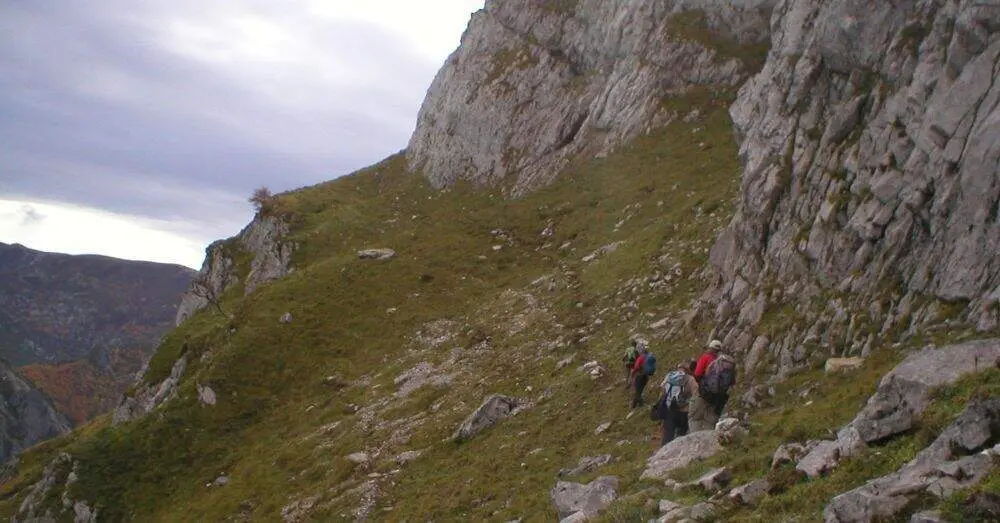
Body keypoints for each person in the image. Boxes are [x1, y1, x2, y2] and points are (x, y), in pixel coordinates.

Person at [657, 363, 698, 445]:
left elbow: (662, 388)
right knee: (681, 432)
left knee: (668, 434)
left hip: (670, 410)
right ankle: (677, 449)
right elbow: (696, 394)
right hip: (684, 411)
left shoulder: (670, 376)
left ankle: (663, 452)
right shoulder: (690, 379)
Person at [689, 339, 723, 431]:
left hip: (704, 392)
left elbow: (697, 374)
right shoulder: (722, 362)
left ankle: (693, 440)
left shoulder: (705, 357)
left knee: (695, 418)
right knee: (710, 421)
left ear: (710, 348)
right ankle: (709, 440)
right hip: (717, 396)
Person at [630, 345, 654, 409]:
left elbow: (636, 367)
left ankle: (642, 405)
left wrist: (632, 374)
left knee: (637, 392)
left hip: (639, 376)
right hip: (646, 376)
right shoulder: (648, 356)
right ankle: (634, 406)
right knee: (639, 391)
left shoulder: (640, 358)